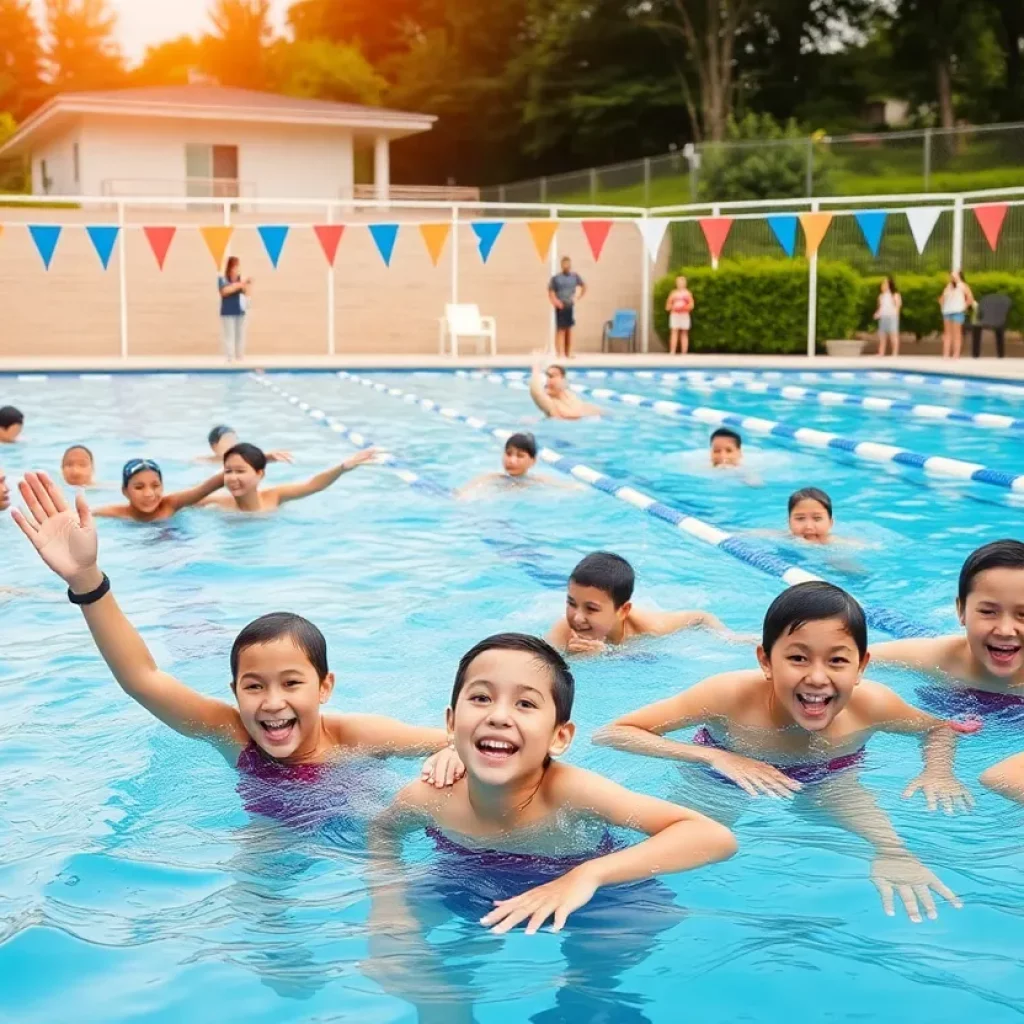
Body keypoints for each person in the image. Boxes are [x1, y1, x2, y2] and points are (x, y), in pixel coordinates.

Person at [11, 471, 464, 786]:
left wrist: (452, 751)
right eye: (253, 686)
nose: (272, 703)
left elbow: (465, 742)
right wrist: (86, 581)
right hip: (270, 831)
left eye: (292, 683)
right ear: (234, 690)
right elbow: (142, 679)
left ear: (325, 687)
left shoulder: (357, 737)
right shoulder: (232, 733)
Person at [594, 581, 978, 923]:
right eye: (797, 658)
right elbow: (613, 733)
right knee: (665, 855)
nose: (816, 676)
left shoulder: (873, 704)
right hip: (723, 778)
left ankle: (893, 854)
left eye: (837, 660)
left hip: (827, 777)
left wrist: (938, 772)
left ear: (861, 667)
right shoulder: (727, 696)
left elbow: (938, 728)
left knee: (891, 846)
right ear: (765, 661)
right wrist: (717, 757)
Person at [368, 632, 737, 936]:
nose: (499, 716)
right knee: (393, 944)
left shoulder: (573, 794)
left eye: (525, 704)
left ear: (559, 738)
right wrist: (386, 899)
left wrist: (587, 875)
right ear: (451, 724)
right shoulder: (430, 797)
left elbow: (713, 837)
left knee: (624, 935)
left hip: (590, 894)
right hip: (469, 881)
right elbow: (383, 831)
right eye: (481, 698)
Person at [870, 539, 1024, 715]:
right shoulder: (940, 658)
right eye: (988, 612)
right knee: (888, 621)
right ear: (961, 611)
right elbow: (855, 659)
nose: (1005, 630)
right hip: (932, 637)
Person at [546, 551, 729, 655]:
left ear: (623, 610)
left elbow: (700, 617)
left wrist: (727, 637)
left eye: (591, 609)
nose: (577, 617)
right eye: (571, 603)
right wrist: (570, 658)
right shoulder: (563, 632)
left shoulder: (652, 627)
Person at [202, 442, 375, 513]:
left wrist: (343, 468)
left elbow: (312, 485)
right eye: (228, 471)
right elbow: (181, 500)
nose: (232, 478)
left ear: (260, 474)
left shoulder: (274, 497)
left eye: (240, 471)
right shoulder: (218, 504)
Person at [93, 458, 225, 522]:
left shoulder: (170, 504)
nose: (148, 494)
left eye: (155, 486)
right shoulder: (117, 513)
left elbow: (205, 489)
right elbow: (85, 515)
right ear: (125, 491)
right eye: (139, 487)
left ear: (162, 487)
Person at [528, 354, 602, 420]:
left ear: (563, 380)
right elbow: (536, 392)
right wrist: (536, 368)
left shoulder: (571, 397)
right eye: (547, 376)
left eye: (551, 376)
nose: (548, 380)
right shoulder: (550, 404)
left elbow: (588, 409)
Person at [547, 255, 586, 359]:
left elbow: (584, 286)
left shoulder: (575, 276)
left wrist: (577, 297)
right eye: (564, 264)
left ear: (570, 265)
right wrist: (555, 302)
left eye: (568, 264)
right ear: (561, 265)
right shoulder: (556, 278)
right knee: (560, 330)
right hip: (560, 306)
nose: (566, 266)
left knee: (569, 329)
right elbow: (551, 292)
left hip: (569, 305)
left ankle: (568, 353)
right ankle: (559, 353)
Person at [198, 425, 293, 464]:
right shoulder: (202, 462)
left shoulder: (241, 458)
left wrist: (266, 458)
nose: (232, 444)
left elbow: (252, 460)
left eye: (233, 440)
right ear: (214, 446)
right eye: (227, 441)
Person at [219, 256, 251, 363]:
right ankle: (230, 358)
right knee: (229, 335)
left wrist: (245, 285)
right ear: (230, 267)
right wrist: (240, 285)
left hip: (240, 310)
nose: (237, 269)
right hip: (227, 311)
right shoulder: (222, 279)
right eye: (235, 266)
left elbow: (247, 293)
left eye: (238, 267)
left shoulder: (240, 279)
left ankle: (239, 357)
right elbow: (225, 291)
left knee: (240, 335)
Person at [939, 270, 974, 360]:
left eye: (955, 274)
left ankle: (956, 354)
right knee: (947, 334)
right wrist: (943, 307)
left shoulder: (963, 286)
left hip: (957, 312)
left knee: (957, 334)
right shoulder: (948, 286)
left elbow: (970, 298)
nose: (952, 276)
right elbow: (941, 298)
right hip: (947, 312)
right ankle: (946, 354)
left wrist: (963, 307)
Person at [665, 275, 694, 355]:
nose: (680, 284)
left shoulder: (688, 294)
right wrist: (673, 308)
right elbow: (667, 306)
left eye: (682, 283)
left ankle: (684, 352)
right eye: (679, 283)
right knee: (674, 331)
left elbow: (691, 305)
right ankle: (672, 351)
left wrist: (684, 308)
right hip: (675, 315)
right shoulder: (673, 294)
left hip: (684, 315)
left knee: (684, 332)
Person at [874, 276, 902, 357]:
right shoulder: (881, 296)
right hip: (883, 317)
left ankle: (895, 353)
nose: (883, 285)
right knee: (882, 336)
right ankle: (881, 353)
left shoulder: (895, 295)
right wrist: (877, 314)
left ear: (889, 285)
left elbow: (898, 305)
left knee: (893, 336)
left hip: (892, 317)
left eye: (885, 283)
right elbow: (881, 308)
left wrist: (895, 314)